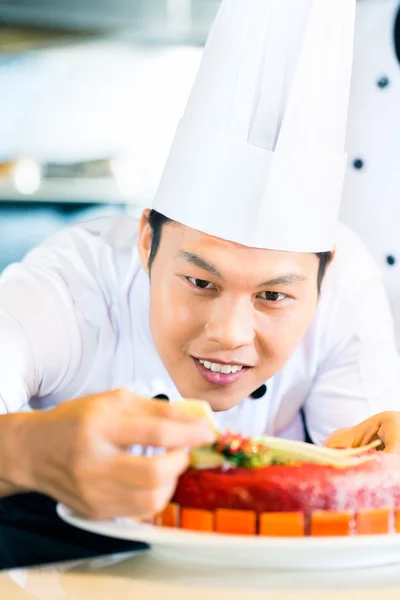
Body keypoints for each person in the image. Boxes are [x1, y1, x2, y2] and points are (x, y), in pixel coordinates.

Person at [0, 0, 399, 543]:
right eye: (201, 282)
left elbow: (369, 498)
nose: (229, 335)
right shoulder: (72, 283)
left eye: (273, 297)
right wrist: (25, 449)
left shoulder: (347, 288)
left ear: (323, 273)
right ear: (147, 241)